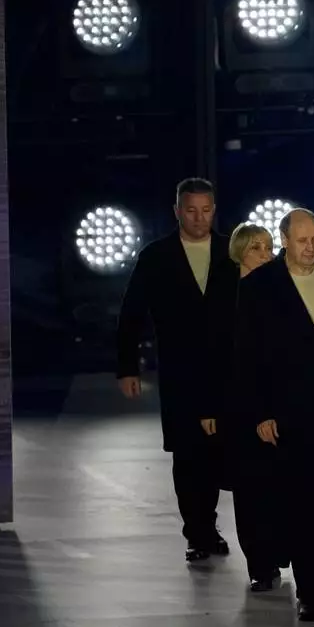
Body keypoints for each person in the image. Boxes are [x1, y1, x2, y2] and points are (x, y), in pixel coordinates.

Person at [234, 209, 314, 622]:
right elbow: (247, 353)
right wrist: (259, 410)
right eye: (302, 240)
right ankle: (309, 585)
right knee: (298, 501)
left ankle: (313, 577)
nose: (310, 247)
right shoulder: (260, 285)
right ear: (285, 240)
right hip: (286, 412)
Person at [116, 178, 239, 563]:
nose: (199, 217)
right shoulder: (157, 255)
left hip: (226, 372)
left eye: (206, 209)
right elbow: (131, 314)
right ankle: (198, 532)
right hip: (180, 372)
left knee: (219, 453)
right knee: (188, 455)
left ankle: (208, 524)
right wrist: (127, 367)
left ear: (214, 210)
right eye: (191, 209)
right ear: (177, 211)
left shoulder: (231, 251)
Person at [215, 223, 285, 592]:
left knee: (278, 485)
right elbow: (210, 358)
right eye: (257, 247)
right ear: (240, 250)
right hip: (238, 408)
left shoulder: (280, 293)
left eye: (270, 246)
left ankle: (278, 552)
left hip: (277, 404)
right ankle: (259, 563)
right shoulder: (224, 296)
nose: (266, 253)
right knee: (249, 489)